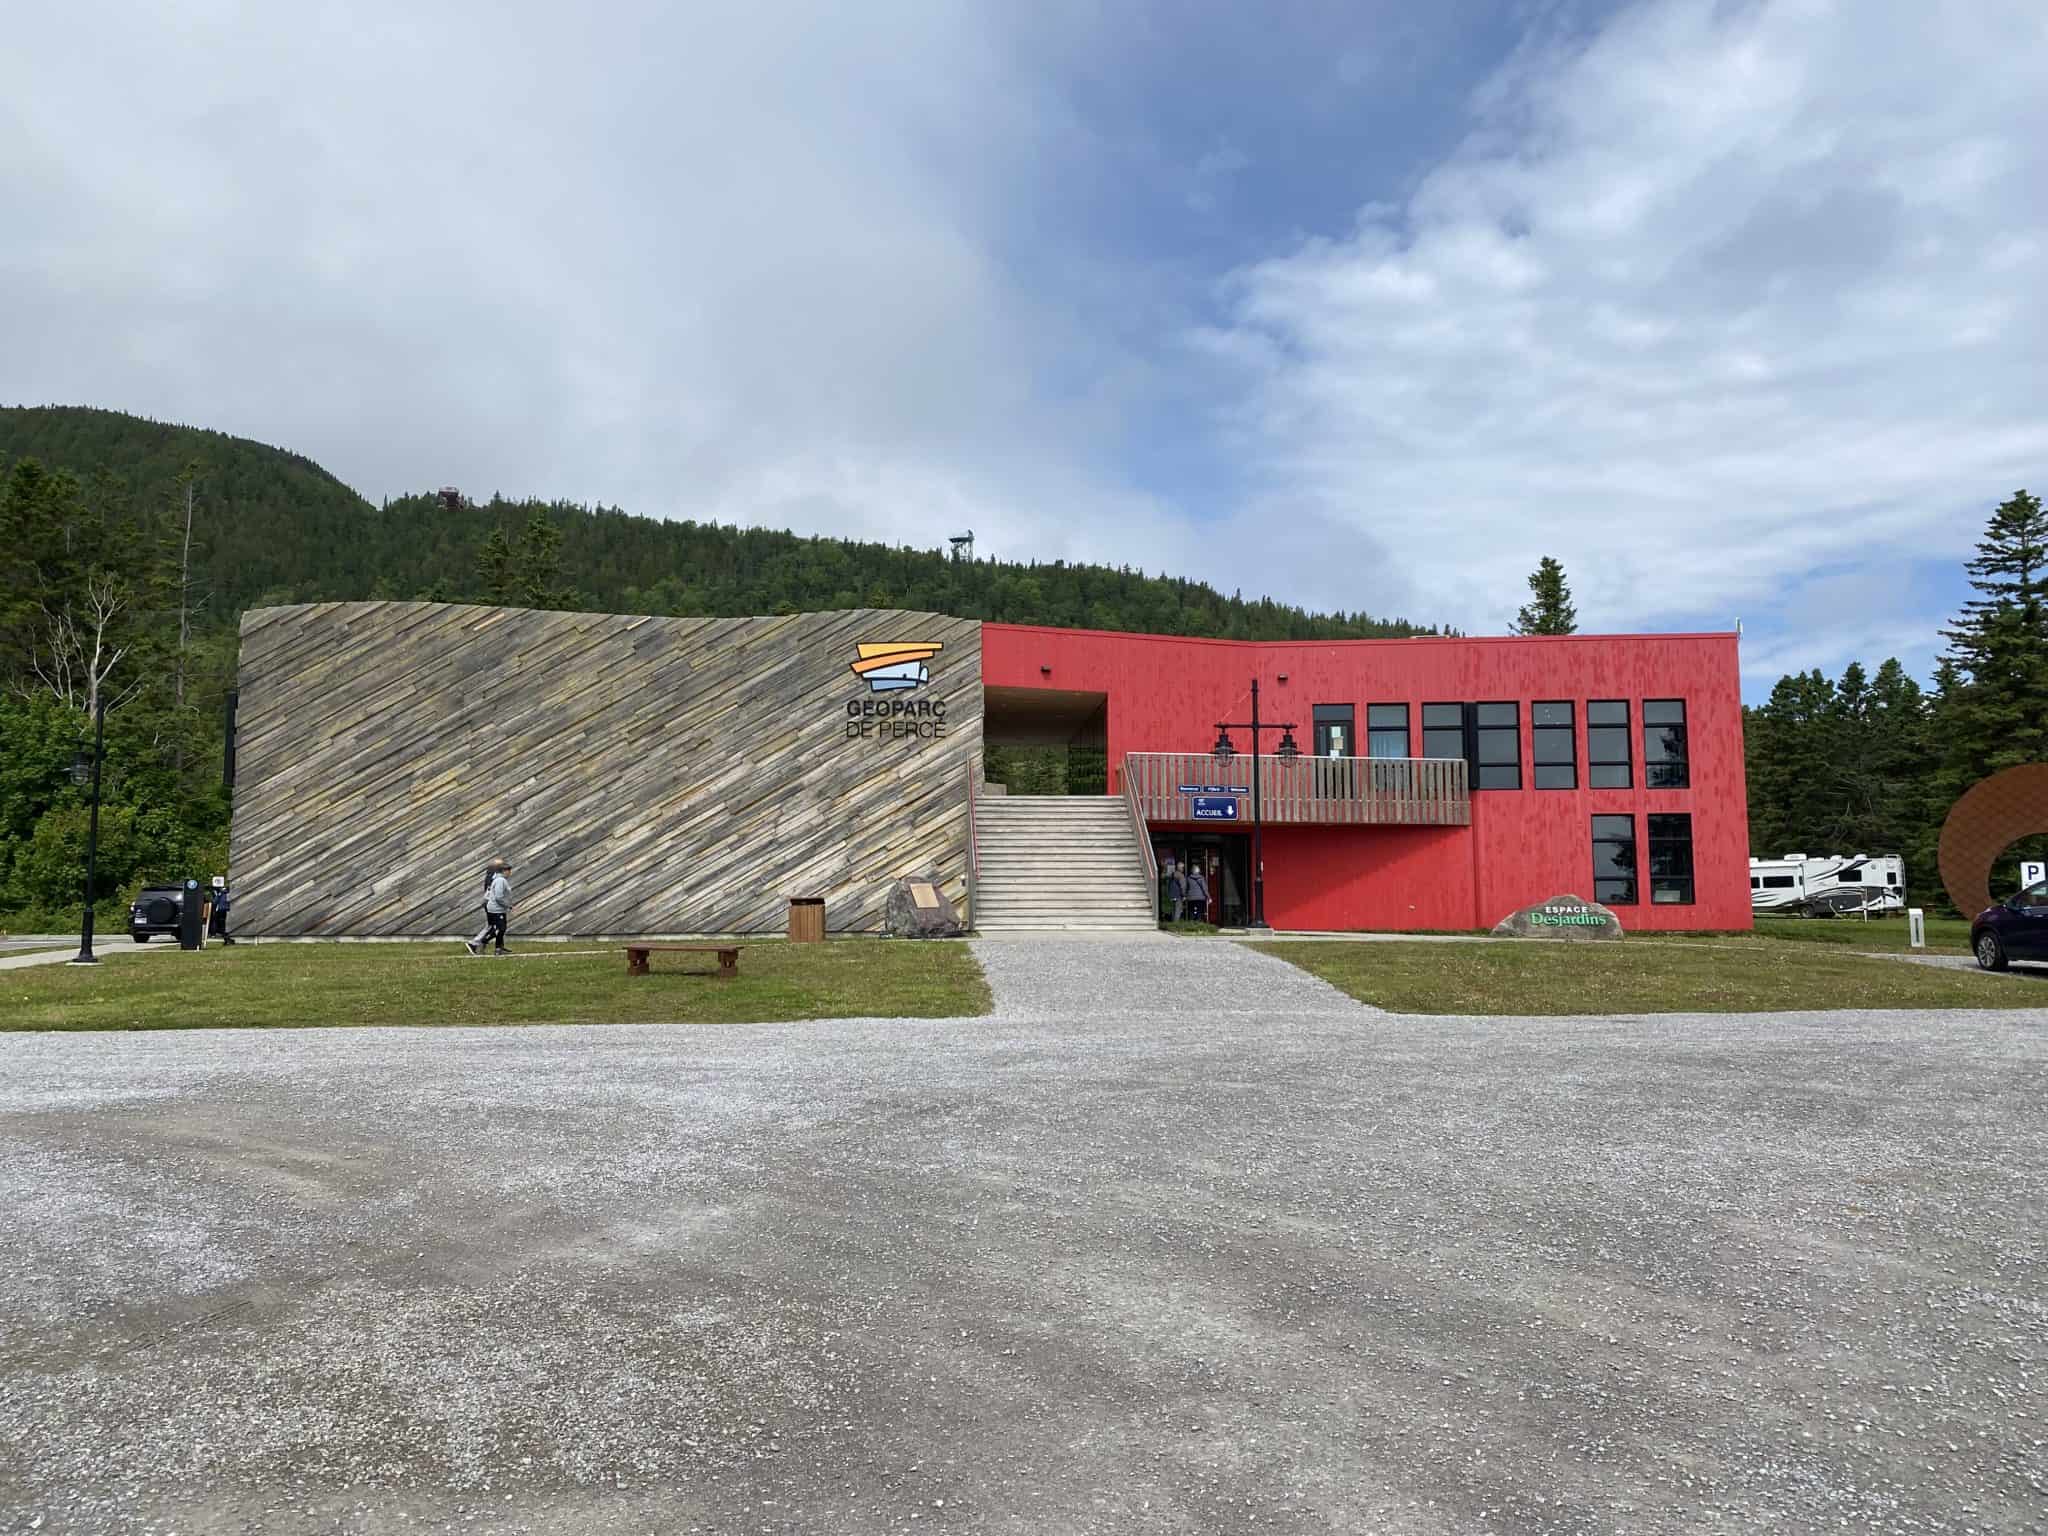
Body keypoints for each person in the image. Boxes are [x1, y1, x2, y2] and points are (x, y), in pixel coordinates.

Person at [467, 858, 513, 955]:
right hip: (493, 905)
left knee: (497, 927)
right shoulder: (493, 877)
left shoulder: (495, 876)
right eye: (501, 865)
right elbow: (492, 893)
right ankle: (475, 943)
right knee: (494, 927)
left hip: (492, 905)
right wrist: (507, 905)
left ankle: (499, 947)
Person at [207, 875, 237, 944]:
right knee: (224, 925)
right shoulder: (228, 892)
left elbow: (215, 902)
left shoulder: (220, 893)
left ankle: (225, 938)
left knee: (220, 925)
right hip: (227, 910)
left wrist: (216, 896)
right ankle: (226, 938)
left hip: (220, 910)